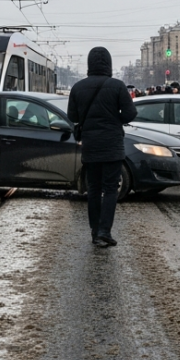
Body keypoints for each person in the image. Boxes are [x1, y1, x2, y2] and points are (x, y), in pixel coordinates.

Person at [68, 47, 138, 248]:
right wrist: (115, 119)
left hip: (90, 145)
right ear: (109, 64)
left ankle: (94, 231)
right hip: (112, 145)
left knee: (93, 188)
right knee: (110, 189)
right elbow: (130, 113)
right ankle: (104, 232)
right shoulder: (117, 86)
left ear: (90, 64)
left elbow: (72, 117)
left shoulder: (78, 87)